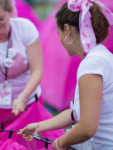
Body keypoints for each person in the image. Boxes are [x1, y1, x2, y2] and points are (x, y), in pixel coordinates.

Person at [0, 0, 64, 149]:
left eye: (1, 19)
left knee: (36, 143)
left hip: (29, 104)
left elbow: (37, 70)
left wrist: (22, 98)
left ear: (11, 12)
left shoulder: (25, 29)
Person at [19, 0, 113, 149]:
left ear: (67, 30)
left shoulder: (92, 64)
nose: (60, 39)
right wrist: (39, 126)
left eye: (59, 33)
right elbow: (75, 112)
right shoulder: (99, 56)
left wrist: (60, 143)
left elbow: (87, 128)